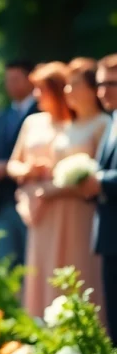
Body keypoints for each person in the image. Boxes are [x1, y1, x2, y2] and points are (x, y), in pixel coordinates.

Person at [10, 61, 108, 317]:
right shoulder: (65, 125)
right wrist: (31, 173)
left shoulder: (100, 124)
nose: (68, 92)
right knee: (48, 269)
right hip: (48, 209)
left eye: (73, 86)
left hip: (79, 209)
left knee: (79, 268)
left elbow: (97, 175)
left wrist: (53, 189)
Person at [0, 59, 38, 266]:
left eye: (16, 79)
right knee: (5, 260)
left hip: (32, 196)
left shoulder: (42, 110)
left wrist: (8, 167)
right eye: (8, 80)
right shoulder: (3, 115)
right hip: (4, 198)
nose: (10, 85)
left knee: (31, 262)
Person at [80, 54, 117, 332]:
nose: (103, 91)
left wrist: (101, 181)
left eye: (112, 84)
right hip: (109, 233)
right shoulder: (112, 119)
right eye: (101, 83)